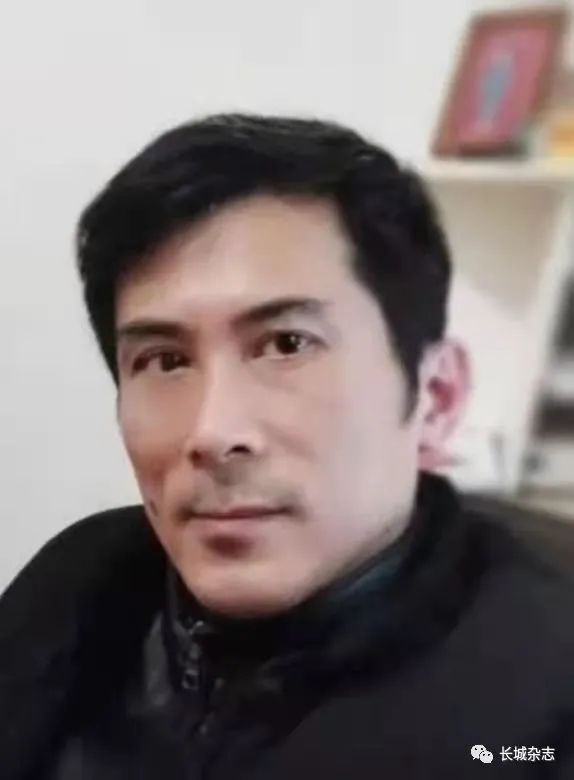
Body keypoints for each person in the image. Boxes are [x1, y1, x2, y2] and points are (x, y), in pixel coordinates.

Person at [1, 114, 573, 780]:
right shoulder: (79, 582)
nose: (212, 432)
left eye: (286, 344)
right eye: (164, 360)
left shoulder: (542, 704)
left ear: (437, 397)